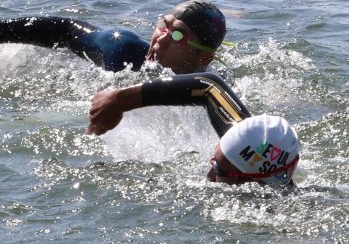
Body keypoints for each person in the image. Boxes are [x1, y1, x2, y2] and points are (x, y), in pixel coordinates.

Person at [88, 77, 300, 190]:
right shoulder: (247, 144)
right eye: (213, 162)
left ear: (254, 182)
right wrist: (119, 100)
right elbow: (209, 87)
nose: (208, 175)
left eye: (219, 170)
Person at [0, 0, 227, 75]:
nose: (162, 37)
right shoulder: (123, 49)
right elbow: (64, 29)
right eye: (163, 25)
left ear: (203, 56)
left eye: (177, 36)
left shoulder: (213, 86)